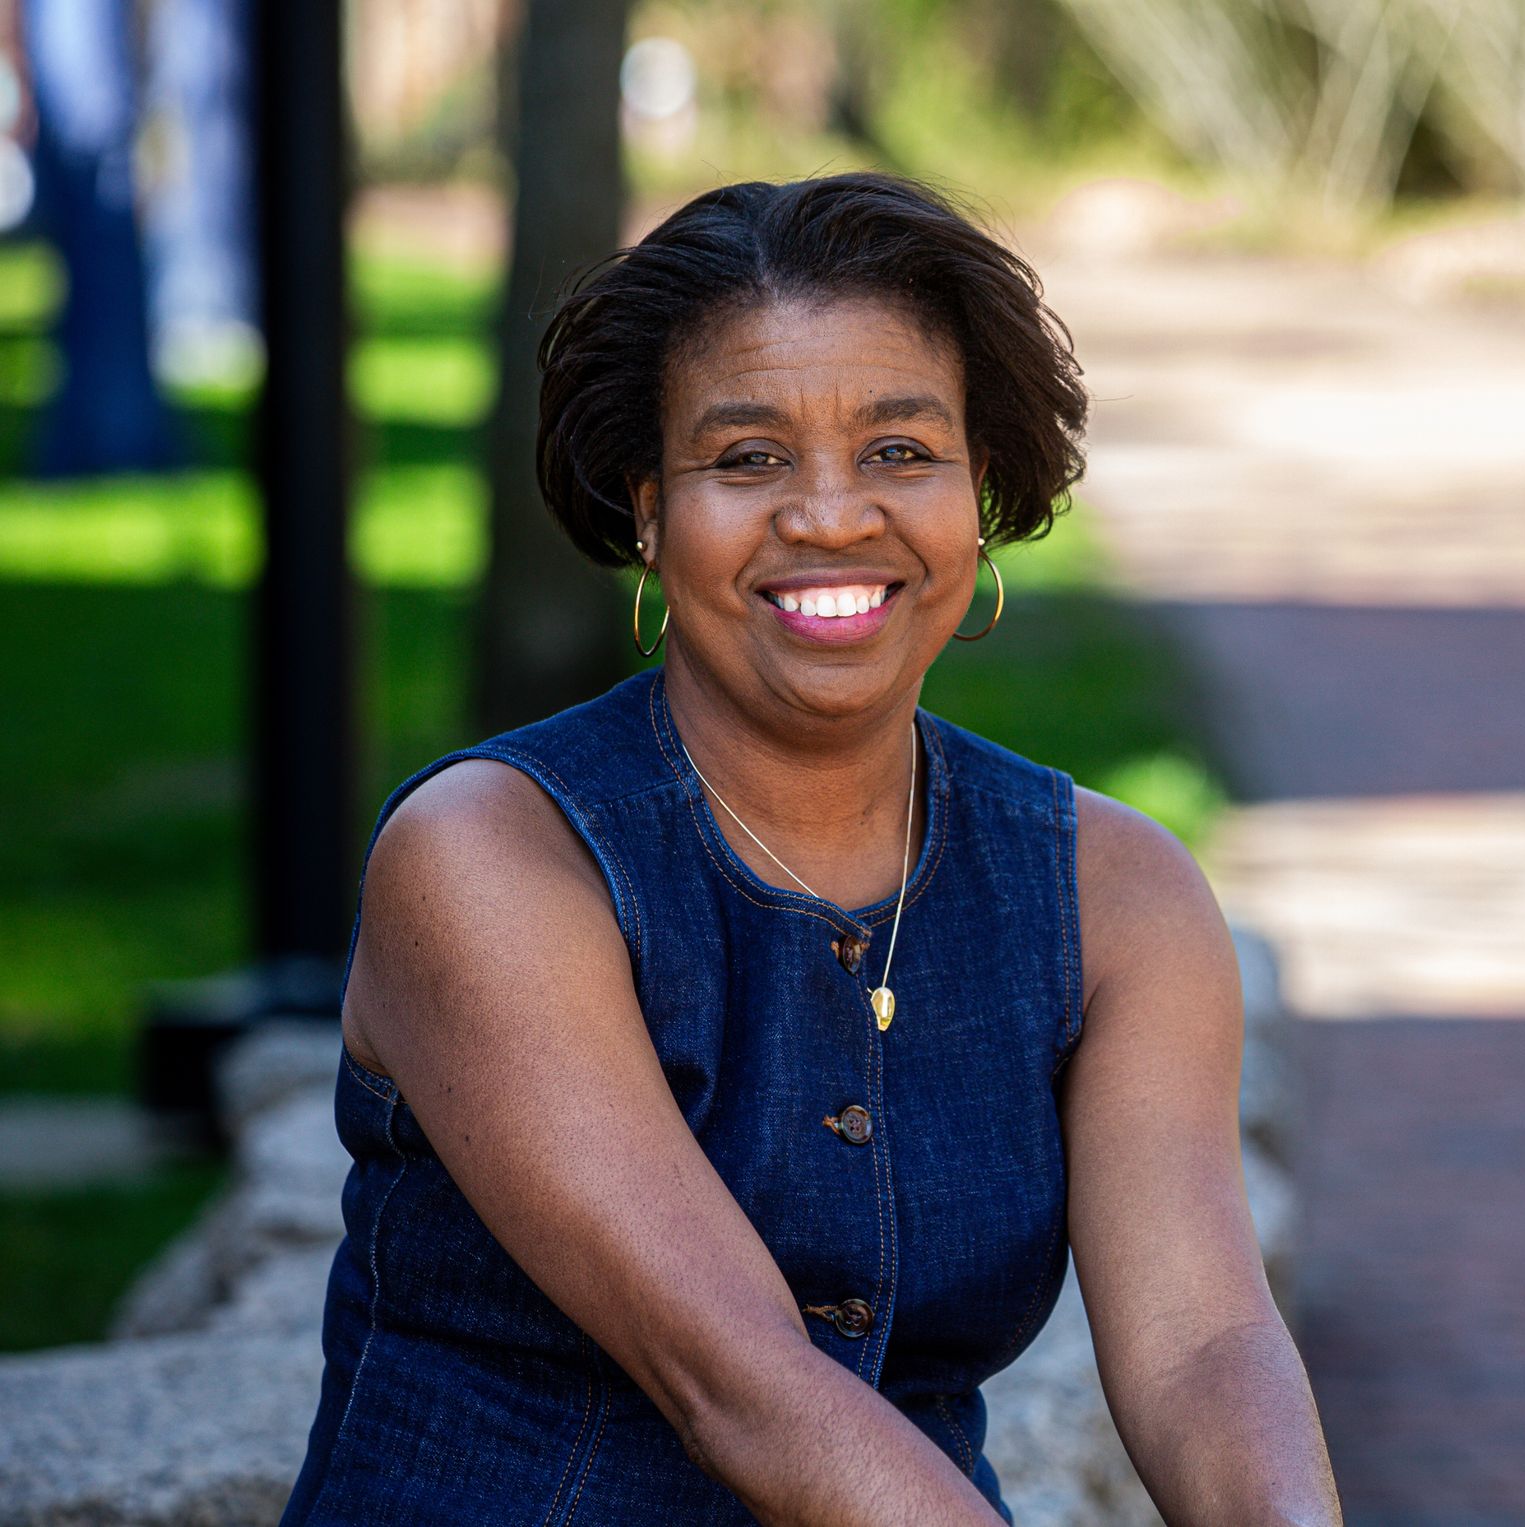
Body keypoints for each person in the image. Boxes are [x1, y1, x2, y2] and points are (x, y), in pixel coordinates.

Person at [279, 172, 1343, 1526]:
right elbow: (743, 1382)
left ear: (983, 493)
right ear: (649, 512)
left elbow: (1202, 1347)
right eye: (747, 458)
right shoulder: (492, 859)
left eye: (901, 452)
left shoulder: (1116, 896)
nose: (832, 516)